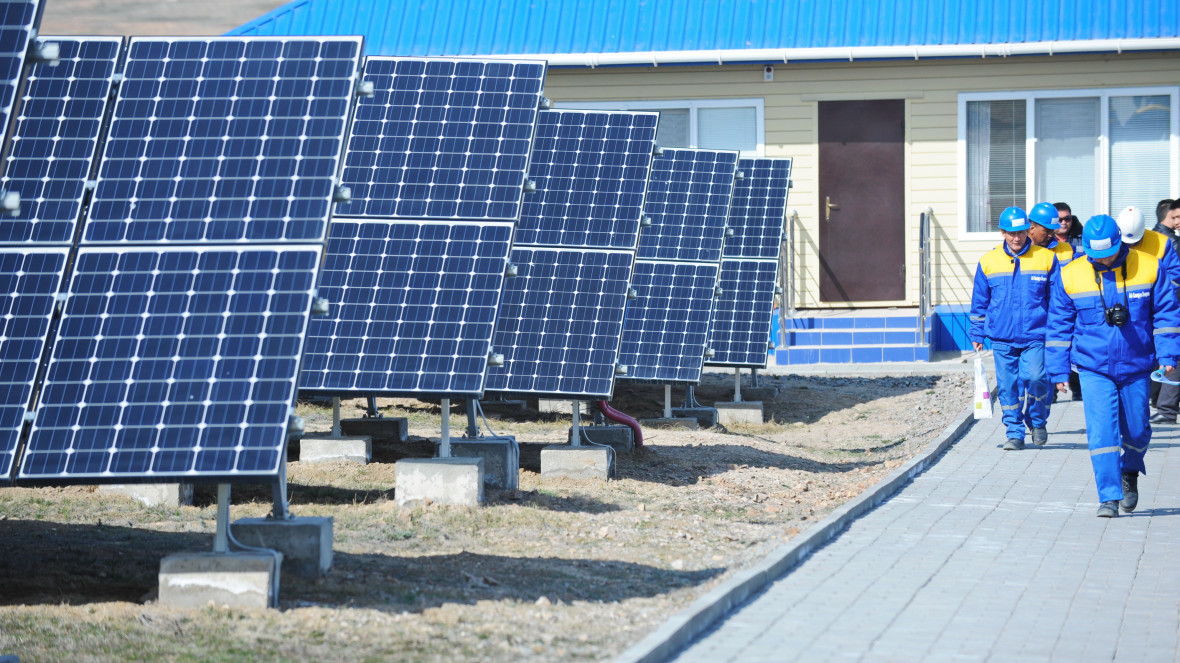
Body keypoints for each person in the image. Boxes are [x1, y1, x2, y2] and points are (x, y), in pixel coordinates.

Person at [1047, 214, 1180, 517]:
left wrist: (1168, 355)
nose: (1103, 262)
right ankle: (1108, 496)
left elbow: (1167, 314)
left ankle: (1129, 473)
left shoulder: (1148, 267)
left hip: (1137, 364)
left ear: (1120, 244)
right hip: (1094, 368)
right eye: (1096, 257)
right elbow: (1058, 326)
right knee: (1102, 432)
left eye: (1108, 256)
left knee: (1137, 430)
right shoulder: (1071, 273)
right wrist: (1057, 370)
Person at [970, 207, 1058, 450]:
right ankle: (1014, 433)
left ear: (1028, 230)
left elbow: (1057, 301)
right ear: (1002, 233)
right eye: (1011, 233)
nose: (1016, 238)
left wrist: (1059, 333)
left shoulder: (1046, 259)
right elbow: (980, 301)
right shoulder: (988, 262)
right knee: (1008, 387)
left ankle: (1037, 421)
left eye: (1020, 232)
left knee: (1037, 377)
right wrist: (977, 333)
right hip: (1002, 337)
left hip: (1036, 335)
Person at [1150, 199, 1180, 424]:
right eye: (1175, 218)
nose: (1178, 222)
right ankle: (1165, 407)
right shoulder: (1170, 241)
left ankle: (1164, 406)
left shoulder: (1164, 240)